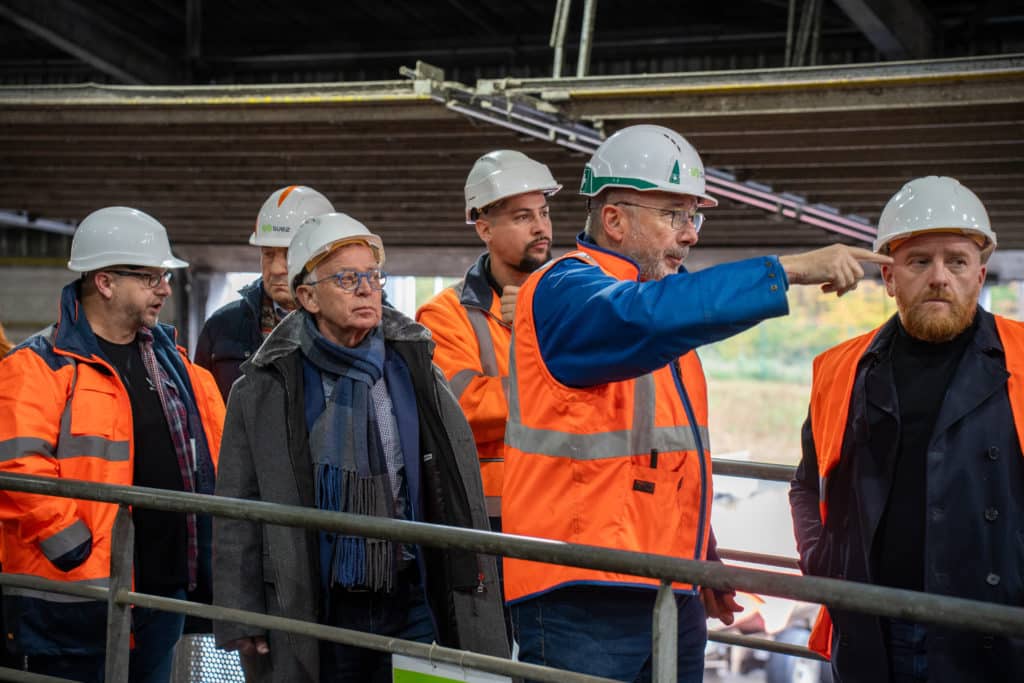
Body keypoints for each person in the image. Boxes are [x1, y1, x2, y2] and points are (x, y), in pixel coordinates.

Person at [501, 123, 890, 682]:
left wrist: (699, 552)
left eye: (693, 216)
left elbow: (664, 458)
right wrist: (789, 270)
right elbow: (640, 316)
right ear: (614, 219)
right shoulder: (565, 291)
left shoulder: (661, 315)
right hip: (584, 589)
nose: (690, 235)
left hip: (665, 581)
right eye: (674, 215)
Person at [213, 213, 508, 682]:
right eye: (348, 279)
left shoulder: (414, 365)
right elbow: (238, 505)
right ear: (307, 296)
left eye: (372, 276)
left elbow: (457, 482)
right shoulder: (266, 387)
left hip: (416, 592)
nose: (367, 289)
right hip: (319, 596)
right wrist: (239, 610)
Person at [789, 176, 1024, 682]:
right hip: (873, 630)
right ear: (890, 277)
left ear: (980, 274)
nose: (940, 277)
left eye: (956, 261)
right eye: (920, 261)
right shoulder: (841, 368)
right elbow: (806, 485)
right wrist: (822, 563)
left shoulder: (1023, 359)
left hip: (995, 636)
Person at [0, 206, 225, 682]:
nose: (165, 288)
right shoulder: (39, 366)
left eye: (164, 277)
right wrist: (74, 550)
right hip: (76, 597)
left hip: (163, 593)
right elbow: (18, 468)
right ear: (104, 282)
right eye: (151, 277)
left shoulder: (173, 365)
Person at [417, 150, 561, 530]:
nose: (540, 227)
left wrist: (536, 319)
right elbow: (464, 411)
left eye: (543, 213)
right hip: (493, 519)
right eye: (522, 217)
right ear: (484, 229)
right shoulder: (445, 314)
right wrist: (560, 390)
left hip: (571, 505)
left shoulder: (573, 303)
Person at [195, 185, 335, 400]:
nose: (277, 269)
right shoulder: (221, 327)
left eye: (289, 254)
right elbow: (204, 413)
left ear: (324, 256)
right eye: (268, 254)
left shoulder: (354, 324)